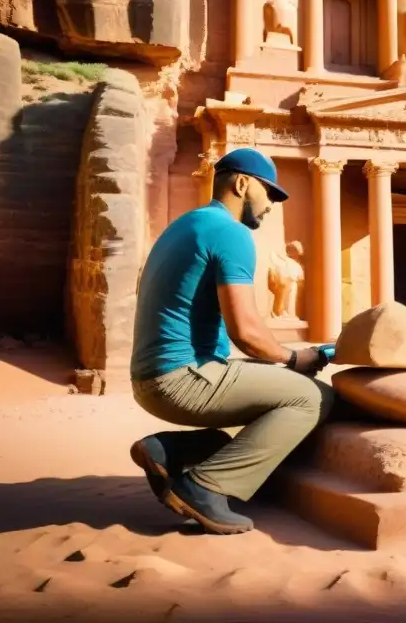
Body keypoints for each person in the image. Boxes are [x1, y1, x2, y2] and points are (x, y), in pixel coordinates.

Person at [128, 148, 333, 534]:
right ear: (242, 183)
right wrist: (295, 358)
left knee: (252, 410)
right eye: (269, 193)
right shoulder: (231, 233)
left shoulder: (186, 224)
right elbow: (248, 334)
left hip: (150, 377)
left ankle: (168, 451)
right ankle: (204, 488)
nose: (271, 205)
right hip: (180, 380)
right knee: (313, 397)